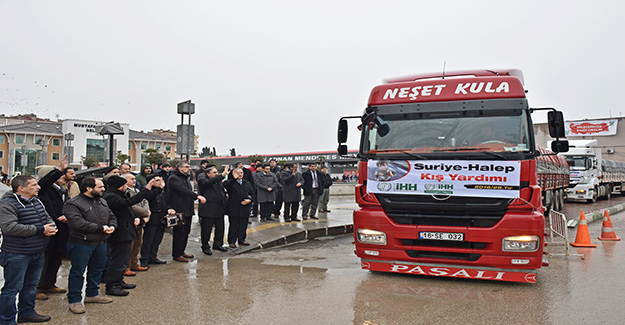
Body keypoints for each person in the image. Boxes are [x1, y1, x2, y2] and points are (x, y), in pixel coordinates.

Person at [0, 175, 57, 324]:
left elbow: (47, 217)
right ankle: (6, 319)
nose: (38, 187)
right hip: (16, 254)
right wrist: (40, 230)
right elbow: (10, 227)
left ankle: (27, 312)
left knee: (31, 286)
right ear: (21, 188)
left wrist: (50, 227)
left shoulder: (36, 201)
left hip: (37, 251)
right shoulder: (7, 204)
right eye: (34, 185)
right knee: (12, 289)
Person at [63, 177, 117, 314]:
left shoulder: (102, 201)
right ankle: (74, 300)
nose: (103, 189)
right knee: (77, 272)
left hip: (101, 242)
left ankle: (92, 294)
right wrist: (100, 228)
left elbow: (111, 216)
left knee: (97, 269)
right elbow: (77, 223)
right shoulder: (73, 204)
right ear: (88, 188)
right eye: (100, 187)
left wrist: (112, 226)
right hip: (81, 243)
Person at [102, 175, 155, 296]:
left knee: (123, 259)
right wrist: (146, 189)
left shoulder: (118, 194)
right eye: (124, 184)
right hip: (120, 233)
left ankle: (119, 281)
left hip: (126, 231)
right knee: (118, 260)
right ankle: (112, 285)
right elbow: (129, 203)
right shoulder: (111, 197)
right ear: (120, 186)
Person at [36, 157, 71, 300]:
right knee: (46, 258)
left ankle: (50, 283)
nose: (61, 176)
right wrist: (59, 169)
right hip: (48, 227)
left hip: (61, 227)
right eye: (55, 174)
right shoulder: (42, 188)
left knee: (57, 257)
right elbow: (43, 183)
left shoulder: (59, 189)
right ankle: (38, 287)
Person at [167, 161, 206, 262]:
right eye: (186, 167)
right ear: (179, 168)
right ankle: (177, 254)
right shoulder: (174, 178)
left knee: (186, 232)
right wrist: (197, 196)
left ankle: (181, 251)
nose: (189, 168)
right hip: (179, 209)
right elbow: (182, 190)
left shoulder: (186, 177)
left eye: (189, 166)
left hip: (188, 209)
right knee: (179, 233)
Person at [140, 174, 172, 267]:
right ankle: (144, 259)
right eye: (157, 180)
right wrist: (160, 188)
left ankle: (153, 257)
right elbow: (150, 197)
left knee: (157, 240)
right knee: (148, 240)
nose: (160, 182)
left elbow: (166, 202)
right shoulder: (147, 190)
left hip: (161, 219)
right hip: (152, 219)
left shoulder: (162, 191)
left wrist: (169, 209)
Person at [197, 165, 230, 255]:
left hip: (219, 208)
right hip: (208, 209)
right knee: (207, 229)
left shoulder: (218, 181)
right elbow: (208, 183)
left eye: (217, 172)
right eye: (214, 173)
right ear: (208, 174)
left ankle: (218, 244)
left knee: (220, 228)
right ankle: (205, 246)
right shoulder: (203, 180)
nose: (216, 174)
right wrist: (222, 174)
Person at [122, 173, 151, 275]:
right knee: (129, 246)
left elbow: (145, 201)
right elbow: (131, 206)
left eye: (135, 179)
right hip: (132, 221)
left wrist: (146, 214)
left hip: (141, 221)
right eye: (131, 179)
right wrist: (144, 213)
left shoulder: (137, 190)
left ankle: (134, 263)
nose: (134, 181)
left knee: (137, 245)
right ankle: (126, 267)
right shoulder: (125, 192)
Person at [224, 168, 254, 248]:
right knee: (233, 225)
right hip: (234, 207)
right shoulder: (230, 182)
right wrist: (234, 178)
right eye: (238, 173)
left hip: (245, 207)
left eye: (241, 173)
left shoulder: (246, 183)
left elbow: (252, 193)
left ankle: (242, 239)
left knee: (243, 225)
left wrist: (250, 200)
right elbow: (226, 186)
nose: (240, 174)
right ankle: (232, 241)